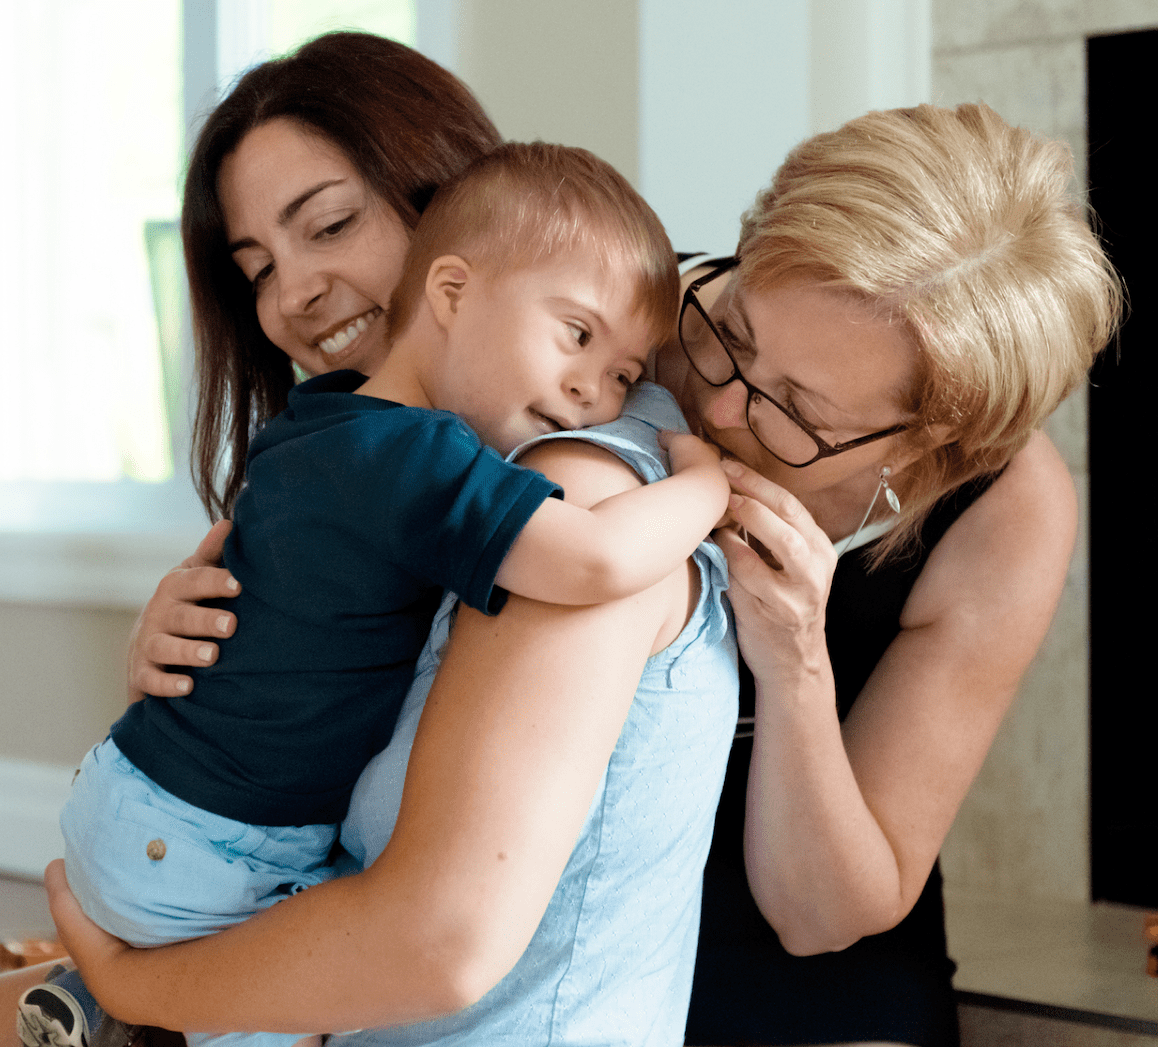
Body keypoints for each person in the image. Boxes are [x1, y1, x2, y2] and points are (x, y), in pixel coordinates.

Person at [0, 35, 1121, 1047]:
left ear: (924, 452)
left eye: (797, 410)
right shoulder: (607, 388)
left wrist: (796, 663)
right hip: (444, 914)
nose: (709, 397)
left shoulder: (993, 506)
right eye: (726, 326)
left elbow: (825, 906)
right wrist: (201, 613)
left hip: (740, 982)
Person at [49, 141, 730, 1047]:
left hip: (150, 813)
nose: (591, 394)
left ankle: (104, 1002)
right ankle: (123, 1005)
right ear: (451, 289)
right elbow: (598, 559)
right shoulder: (417, 457)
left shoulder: (327, 420)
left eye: (621, 377)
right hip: (214, 852)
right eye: (576, 337)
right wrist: (706, 482)